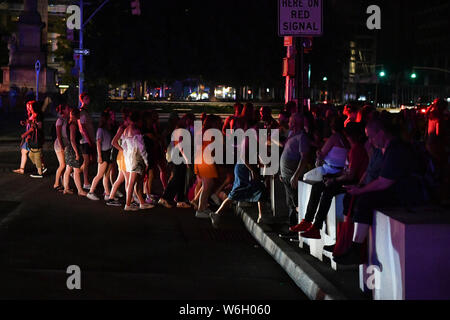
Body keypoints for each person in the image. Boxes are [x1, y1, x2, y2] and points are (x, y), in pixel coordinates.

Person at [334, 118, 423, 265]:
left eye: (371, 136)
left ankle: (356, 249)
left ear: (381, 133)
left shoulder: (396, 150)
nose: (370, 141)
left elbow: (384, 182)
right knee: (355, 199)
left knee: (365, 201)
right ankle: (348, 242)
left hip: (406, 193)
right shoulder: (389, 149)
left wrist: (360, 190)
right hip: (401, 189)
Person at [297, 122, 369, 239]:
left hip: (354, 183)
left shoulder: (356, 150)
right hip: (349, 179)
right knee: (318, 187)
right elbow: (346, 171)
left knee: (327, 192)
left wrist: (334, 180)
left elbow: (350, 175)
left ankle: (316, 226)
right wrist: (333, 177)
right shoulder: (353, 149)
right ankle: (308, 221)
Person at [279, 113, 311, 229]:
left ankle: (296, 228)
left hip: (293, 177)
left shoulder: (302, 137)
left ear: (295, 123)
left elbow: (304, 157)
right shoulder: (293, 135)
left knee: (296, 203)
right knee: (291, 203)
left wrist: (296, 175)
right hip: (287, 175)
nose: (288, 123)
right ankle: (292, 227)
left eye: (290, 121)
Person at [159, 113, 195, 209]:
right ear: (187, 120)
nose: (192, 123)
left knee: (181, 178)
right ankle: (165, 198)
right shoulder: (180, 130)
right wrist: (187, 159)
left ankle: (180, 200)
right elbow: (179, 145)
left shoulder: (181, 129)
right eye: (191, 121)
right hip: (178, 155)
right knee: (176, 178)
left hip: (179, 155)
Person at [121, 111, 154, 211]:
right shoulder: (136, 131)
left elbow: (123, 144)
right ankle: (128, 204)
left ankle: (142, 203)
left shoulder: (126, 130)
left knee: (137, 182)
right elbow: (142, 148)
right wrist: (146, 161)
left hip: (129, 157)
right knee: (132, 182)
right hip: (137, 158)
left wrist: (127, 155)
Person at [87, 110, 114, 201]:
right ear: (106, 120)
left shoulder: (107, 129)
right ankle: (91, 192)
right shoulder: (100, 130)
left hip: (108, 152)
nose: (111, 120)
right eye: (110, 119)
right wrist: (99, 156)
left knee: (106, 175)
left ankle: (107, 193)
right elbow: (98, 143)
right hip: (103, 153)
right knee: (100, 174)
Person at [63, 108, 87, 196]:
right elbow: (73, 140)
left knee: (68, 169)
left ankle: (66, 188)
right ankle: (80, 190)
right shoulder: (73, 125)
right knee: (76, 170)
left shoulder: (69, 123)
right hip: (73, 149)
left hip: (68, 148)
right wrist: (77, 152)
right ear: (76, 115)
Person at [77, 92, 96, 190]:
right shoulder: (82, 112)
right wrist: (89, 140)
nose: (88, 100)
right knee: (87, 161)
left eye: (89, 98)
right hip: (85, 141)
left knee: (90, 160)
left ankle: (76, 173)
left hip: (89, 139)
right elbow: (82, 128)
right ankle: (85, 182)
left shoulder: (86, 111)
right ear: (82, 100)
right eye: (86, 98)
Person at [53, 104, 70, 190]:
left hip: (66, 143)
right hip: (60, 144)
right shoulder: (60, 120)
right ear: (63, 110)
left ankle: (63, 184)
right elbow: (59, 135)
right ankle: (56, 183)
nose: (69, 109)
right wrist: (62, 145)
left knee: (66, 165)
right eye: (67, 108)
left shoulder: (67, 119)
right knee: (62, 164)